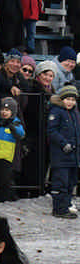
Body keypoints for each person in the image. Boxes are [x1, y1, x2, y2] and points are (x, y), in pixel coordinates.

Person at [17, 60, 55, 197]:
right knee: (31, 164)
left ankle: (38, 190)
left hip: (45, 135)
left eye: (51, 75)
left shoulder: (52, 92)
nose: (48, 78)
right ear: (38, 75)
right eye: (45, 74)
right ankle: (28, 191)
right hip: (33, 133)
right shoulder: (34, 89)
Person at [47, 84, 80, 218]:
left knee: (70, 183)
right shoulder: (56, 112)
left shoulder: (75, 113)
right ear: (62, 99)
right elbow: (51, 131)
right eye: (67, 99)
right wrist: (63, 143)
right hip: (61, 156)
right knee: (60, 182)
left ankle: (66, 206)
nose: (70, 102)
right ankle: (59, 209)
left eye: (73, 100)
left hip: (73, 156)